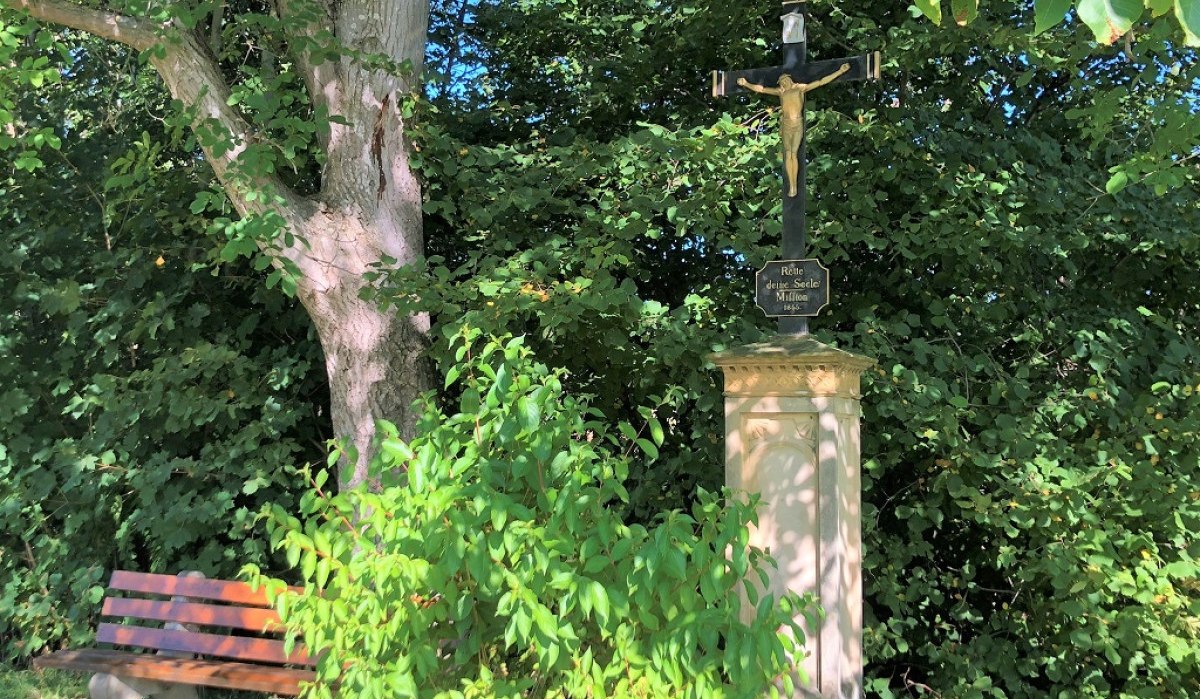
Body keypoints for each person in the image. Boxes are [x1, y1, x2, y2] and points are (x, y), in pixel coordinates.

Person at [738, 63, 851, 198]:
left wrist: (840, 71)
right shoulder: (781, 92)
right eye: (781, 82)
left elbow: (821, 82)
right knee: (788, 155)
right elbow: (762, 89)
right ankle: (791, 185)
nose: (784, 83)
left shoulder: (799, 88)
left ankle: (794, 186)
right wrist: (746, 84)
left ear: (790, 79)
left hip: (797, 124)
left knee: (793, 153)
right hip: (786, 124)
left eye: (785, 80)